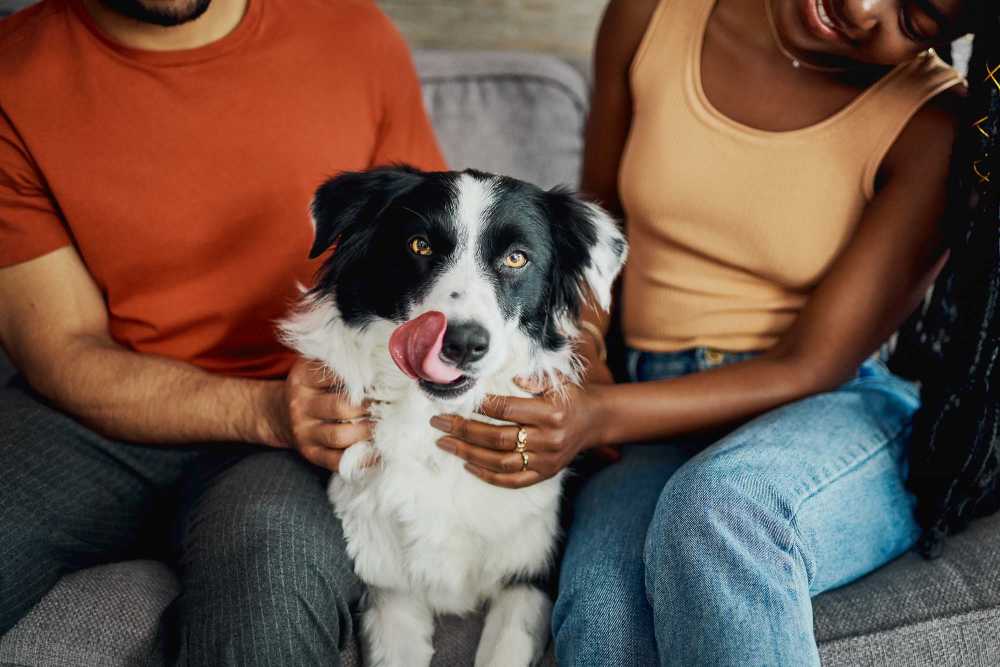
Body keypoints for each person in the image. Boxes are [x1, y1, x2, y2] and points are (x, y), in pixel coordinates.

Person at [428, 0, 978, 664]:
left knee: (720, 511)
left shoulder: (936, 125)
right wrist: (586, 351)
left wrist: (598, 414)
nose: (864, 10)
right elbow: (599, 226)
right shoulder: (652, 14)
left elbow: (812, 364)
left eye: (915, 19)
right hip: (652, 411)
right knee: (602, 614)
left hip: (825, 411)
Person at [0, 0, 444, 664]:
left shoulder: (351, 32)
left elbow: (438, 267)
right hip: (91, 416)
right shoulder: (14, 73)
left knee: (274, 569)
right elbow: (61, 348)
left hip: (304, 428)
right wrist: (263, 409)